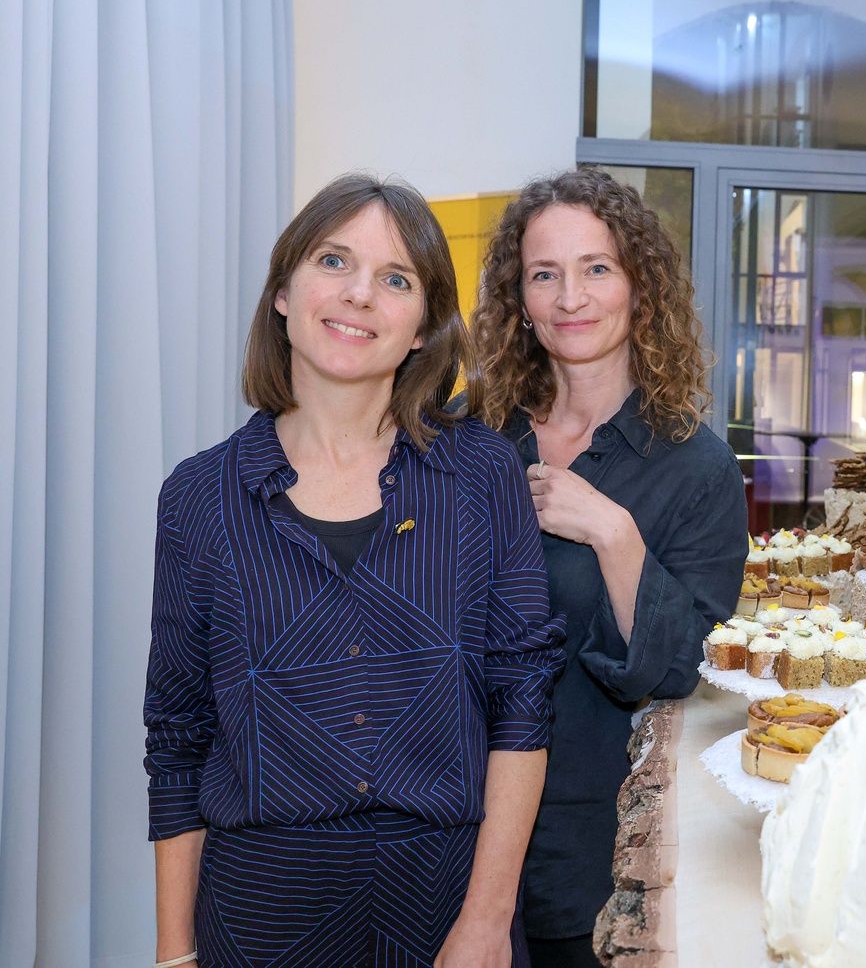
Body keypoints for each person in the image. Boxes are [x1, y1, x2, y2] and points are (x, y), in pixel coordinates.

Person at [143, 174, 565, 968]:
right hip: (260, 918)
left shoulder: (482, 472)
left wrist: (487, 919)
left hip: (450, 912)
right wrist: (173, 954)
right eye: (334, 261)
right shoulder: (198, 496)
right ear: (283, 292)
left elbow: (522, 701)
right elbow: (177, 734)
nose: (360, 294)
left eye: (396, 278)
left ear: (423, 328)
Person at [467, 168, 745, 966]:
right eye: (544, 274)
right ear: (519, 297)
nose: (570, 297)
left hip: (591, 852)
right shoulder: (469, 438)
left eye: (596, 268)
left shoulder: (697, 468)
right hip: (443, 833)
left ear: (638, 286)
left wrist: (613, 533)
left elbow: (681, 670)